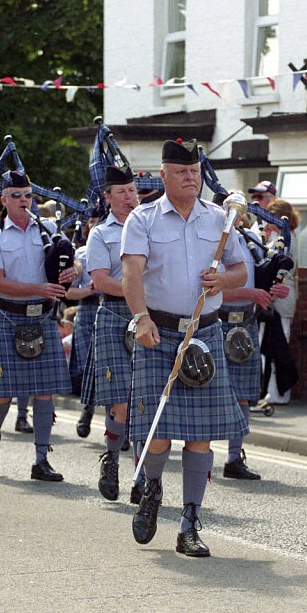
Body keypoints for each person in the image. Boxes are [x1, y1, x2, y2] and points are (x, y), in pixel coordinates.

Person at [122, 138, 248, 557]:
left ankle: (190, 521)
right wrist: (140, 319)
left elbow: (241, 270)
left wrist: (223, 282)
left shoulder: (219, 220)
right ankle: (153, 489)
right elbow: (132, 275)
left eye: (194, 170)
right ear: (164, 174)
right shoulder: (142, 219)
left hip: (204, 333)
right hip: (158, 332)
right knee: (158, 433)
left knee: (200, 437)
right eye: (181, 171)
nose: (190, 177)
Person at [0, 170, 77, 482]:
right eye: (16, 196)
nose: (23, 201)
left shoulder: (48, 229)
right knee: (3, 392)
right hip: (9, 315)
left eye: (28, 195)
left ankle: (41, 459)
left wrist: (68, 275)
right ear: (4, 200)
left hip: (43, 316)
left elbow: (66, 266)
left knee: (44, 393)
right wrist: (39, 289)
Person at [82, 165, 140, 501]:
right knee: (121, 402)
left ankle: (141, 475)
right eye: (121, 192)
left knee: (143, 401)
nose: (129, 197)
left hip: (149, 316)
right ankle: (113, 459)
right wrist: (137, 293)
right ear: (108, 197)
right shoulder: (100, 234)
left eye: (132, 191)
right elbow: (101, 280)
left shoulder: (150, 227)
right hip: (115, 315)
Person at [218, 210, 289, 479]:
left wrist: (278, 290)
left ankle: (234, 457)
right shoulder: (209, 241)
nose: (235, 217)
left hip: (245, 322)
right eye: (228, 210)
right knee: (208, 390)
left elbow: (263, 279)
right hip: (215, 320)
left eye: (239, 212)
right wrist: (247, 292)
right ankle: (196, 451)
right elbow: (201, 288)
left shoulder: (250, 241)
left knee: (244, 394)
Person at [258, 198, 300, 407]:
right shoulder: (279, 236)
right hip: (278, 298)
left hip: (282, 299)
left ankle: (279, 393)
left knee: (279, 347)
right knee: (271, 346)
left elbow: (283, 269)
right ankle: (271, 391)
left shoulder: (287, 237)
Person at [68, 220, 100, 437]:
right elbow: (68, 292)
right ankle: (87, 410)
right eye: (93, 221)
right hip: (88, 309)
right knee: (90, 365)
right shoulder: (81, 254)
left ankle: (121, 427)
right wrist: (89, 290)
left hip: (117, 307)